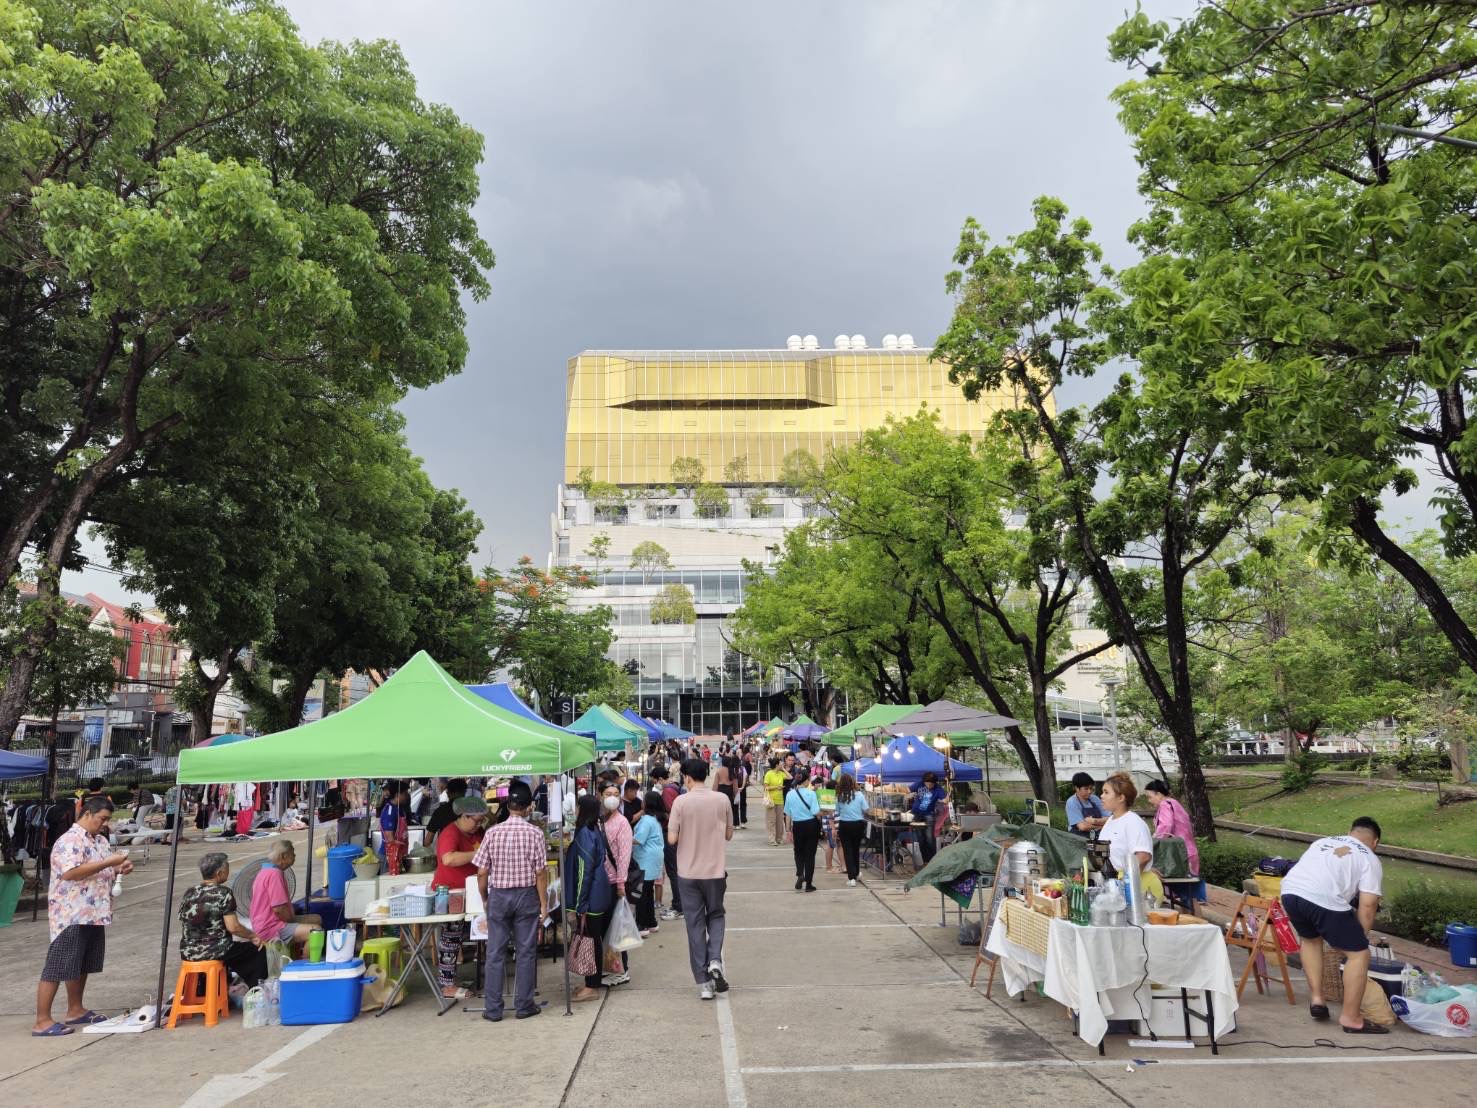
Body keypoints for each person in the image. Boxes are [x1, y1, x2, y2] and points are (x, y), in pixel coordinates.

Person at [32, 797, 131, 1036]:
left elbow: (103, 867)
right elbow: (71, 873)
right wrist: (108, 862)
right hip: (71, 912)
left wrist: (119, 868)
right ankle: (42, 1020)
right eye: (102, 819)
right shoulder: (69, 840)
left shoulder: (99, 841)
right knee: (57, 966)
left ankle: (75, 1009)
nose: (104, 824)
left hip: (94, 911)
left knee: (82, 963)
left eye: (107, 820)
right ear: (87, 813)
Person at [1279, 817, 1388, 1034]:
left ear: (1349, 832)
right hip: (1322, 898)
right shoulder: (1369, 857)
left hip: (1290, 892)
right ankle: (1351, 1018)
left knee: (1310, 940)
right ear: (1375, 842)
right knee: (1359, 954)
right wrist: (1359, 939)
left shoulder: (1322, 842)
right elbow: (1368, 905)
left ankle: (1317, 1000)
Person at [473, 782, 548, 1022]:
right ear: (528, 808)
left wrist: (485, 897)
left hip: (499, 895)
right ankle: (524, 1005)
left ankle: (493, 1009)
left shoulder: (492, 833)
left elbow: (482, 872)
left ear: (507, 805)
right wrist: (544, 904)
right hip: (526, 896)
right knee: (525, 951)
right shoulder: (535, 833)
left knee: (495, 953)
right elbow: (540, 873)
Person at [668, 756, 733, 1000]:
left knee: (694, 925)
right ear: (706, 774)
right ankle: (715, 959)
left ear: (686, 777)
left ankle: (704, 982)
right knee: (716, 915)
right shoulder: (722, 799)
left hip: (687, 873)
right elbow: (728, 835)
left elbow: (672, 840)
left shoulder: (680, 802)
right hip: (715, 871)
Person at [179, 852, 266, 989]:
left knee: (234, 949)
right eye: (227, 868)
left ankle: (209, 990)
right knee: (257, 949)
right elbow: (233, 927)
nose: (228, 871)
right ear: (219, 873)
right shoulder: (223, 893)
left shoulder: (189, 892)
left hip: (188, 951)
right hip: (216, 950)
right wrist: (253, 935)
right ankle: (257, 990)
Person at [433, 794, 486, 998]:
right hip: (451, 893)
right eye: (476, 820)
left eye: (482, 821)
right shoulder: (450, 833)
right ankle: (447, 985)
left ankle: (477, 975)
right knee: (451, 939)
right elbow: (448, 858)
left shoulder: (478, 832)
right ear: (463, 816)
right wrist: (478, 854)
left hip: (473, 891)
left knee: (478, 933)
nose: (478, 825)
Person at [565, 793, 613, 1003]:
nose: (575, 810)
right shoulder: (595, 829)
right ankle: (591, 982)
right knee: (594, 939)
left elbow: (584, 871)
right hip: (599, 891)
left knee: (591, 940)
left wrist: (580, 903)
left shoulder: (585, 833)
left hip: (592, 895)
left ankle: (591, 986)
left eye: (577, 807)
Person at [249, 840, 322, 949]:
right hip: (271, 927)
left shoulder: (264, 871)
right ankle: (306, 964)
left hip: (263, 923)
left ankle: (298, 954)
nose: (295, 856)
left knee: (317, 918)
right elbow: (278, 909)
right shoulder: (274, 874)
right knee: (316, 931)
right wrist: (292, 921)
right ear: (284, 856)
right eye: (293, 853)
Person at [600, 782, 634, 986]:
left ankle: (622, 970)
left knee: (618, 929)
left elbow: (624, 856)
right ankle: (609, 967)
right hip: (602, 883)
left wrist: (621, 883)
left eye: (615, 794)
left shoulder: (621, 823)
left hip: (615, 883)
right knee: (607, 928)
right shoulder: (601, 820)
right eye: (607, 794)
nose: (611, 797)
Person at [1098, 773, 1154, 879]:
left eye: (1106, 792)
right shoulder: (1110, 820)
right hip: (1114, 881)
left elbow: (1143, 857)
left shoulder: (1133, 822)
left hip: (1135, 886)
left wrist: (1125, 880)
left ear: (1121, 798)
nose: (1101, 796)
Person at [1143, 779, 1199, 875]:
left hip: (1179, 854)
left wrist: (1154, 842)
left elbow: (1166, 826)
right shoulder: (1174, 803)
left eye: (1150, 797)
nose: (1149, 800)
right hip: (1188, 851)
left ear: (1159, 794)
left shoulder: (1165, 805)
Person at [631, 793, 665, 934]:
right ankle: (651, 922)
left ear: (646, 804)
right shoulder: (654, 819)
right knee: (648, 890)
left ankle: (642, 924)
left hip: (646, 859)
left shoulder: (646, 820)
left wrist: (622, 836)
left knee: (641, 892)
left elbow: (638, 839)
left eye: (643, 800)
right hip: (653, 858)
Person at [784, 768, 821, 891]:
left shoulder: (790, 794)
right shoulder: (811, 794)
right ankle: (809, 884)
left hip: (797, 826)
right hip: (811, 825)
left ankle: (800, 874)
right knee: (810, 855)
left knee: (798, 852)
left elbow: (788, 814)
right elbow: (816, 812)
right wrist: (826, 812)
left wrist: (788, 830)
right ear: (807, 780)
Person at [833, 773, 868, 887]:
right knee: (856, 849)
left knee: (847, 851)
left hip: (845, 825)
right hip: (858, 824)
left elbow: (836, 810)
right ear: (853, 782)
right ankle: (857, 873)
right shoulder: (859, 795)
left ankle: (851, 877)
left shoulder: (839, 796)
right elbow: (866, 809)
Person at [909, 771, 947, 865]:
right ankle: (925, 861)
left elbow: (945, 799)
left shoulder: (938, 789)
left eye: (931, 784)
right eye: (927, 783)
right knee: (920, 839)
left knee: (930, 838)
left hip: (929, 814)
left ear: (935, 783)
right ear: (924, 782)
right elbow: (907, 789)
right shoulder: (919, 784)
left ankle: (932, 862)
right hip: (916, 814)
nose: (929, 785)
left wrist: (945, 800)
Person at [379, 781, 409, 875]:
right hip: (390, 856)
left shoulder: (399, 808)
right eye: (405, 794)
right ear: (397, 795)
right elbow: (390, 839)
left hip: (399, 854)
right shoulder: (390, 812)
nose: (407, 796)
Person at [1065, 772, 1107, 837]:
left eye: (1091, 788)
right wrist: (1102, 826)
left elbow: (1109, 818)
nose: (1089, 791)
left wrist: (1094, 821)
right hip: (1079, 837)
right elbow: (1083, 827)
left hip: (1097, 835)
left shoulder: (1095, 799)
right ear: (1076, 788)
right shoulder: (1072, 802)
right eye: (1086, 789)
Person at [762, 756, 787, 846]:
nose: (782, 764)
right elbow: (766, 787)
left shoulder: (781, 773)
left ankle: (779, 838)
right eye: (781, 763)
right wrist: (777, 787)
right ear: (777, 764)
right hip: (771, 801)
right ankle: (772, 839)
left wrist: (783, 769)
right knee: (771, 820)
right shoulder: (769, 773)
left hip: (780, 801)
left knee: (780, 821)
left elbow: (790, 777)